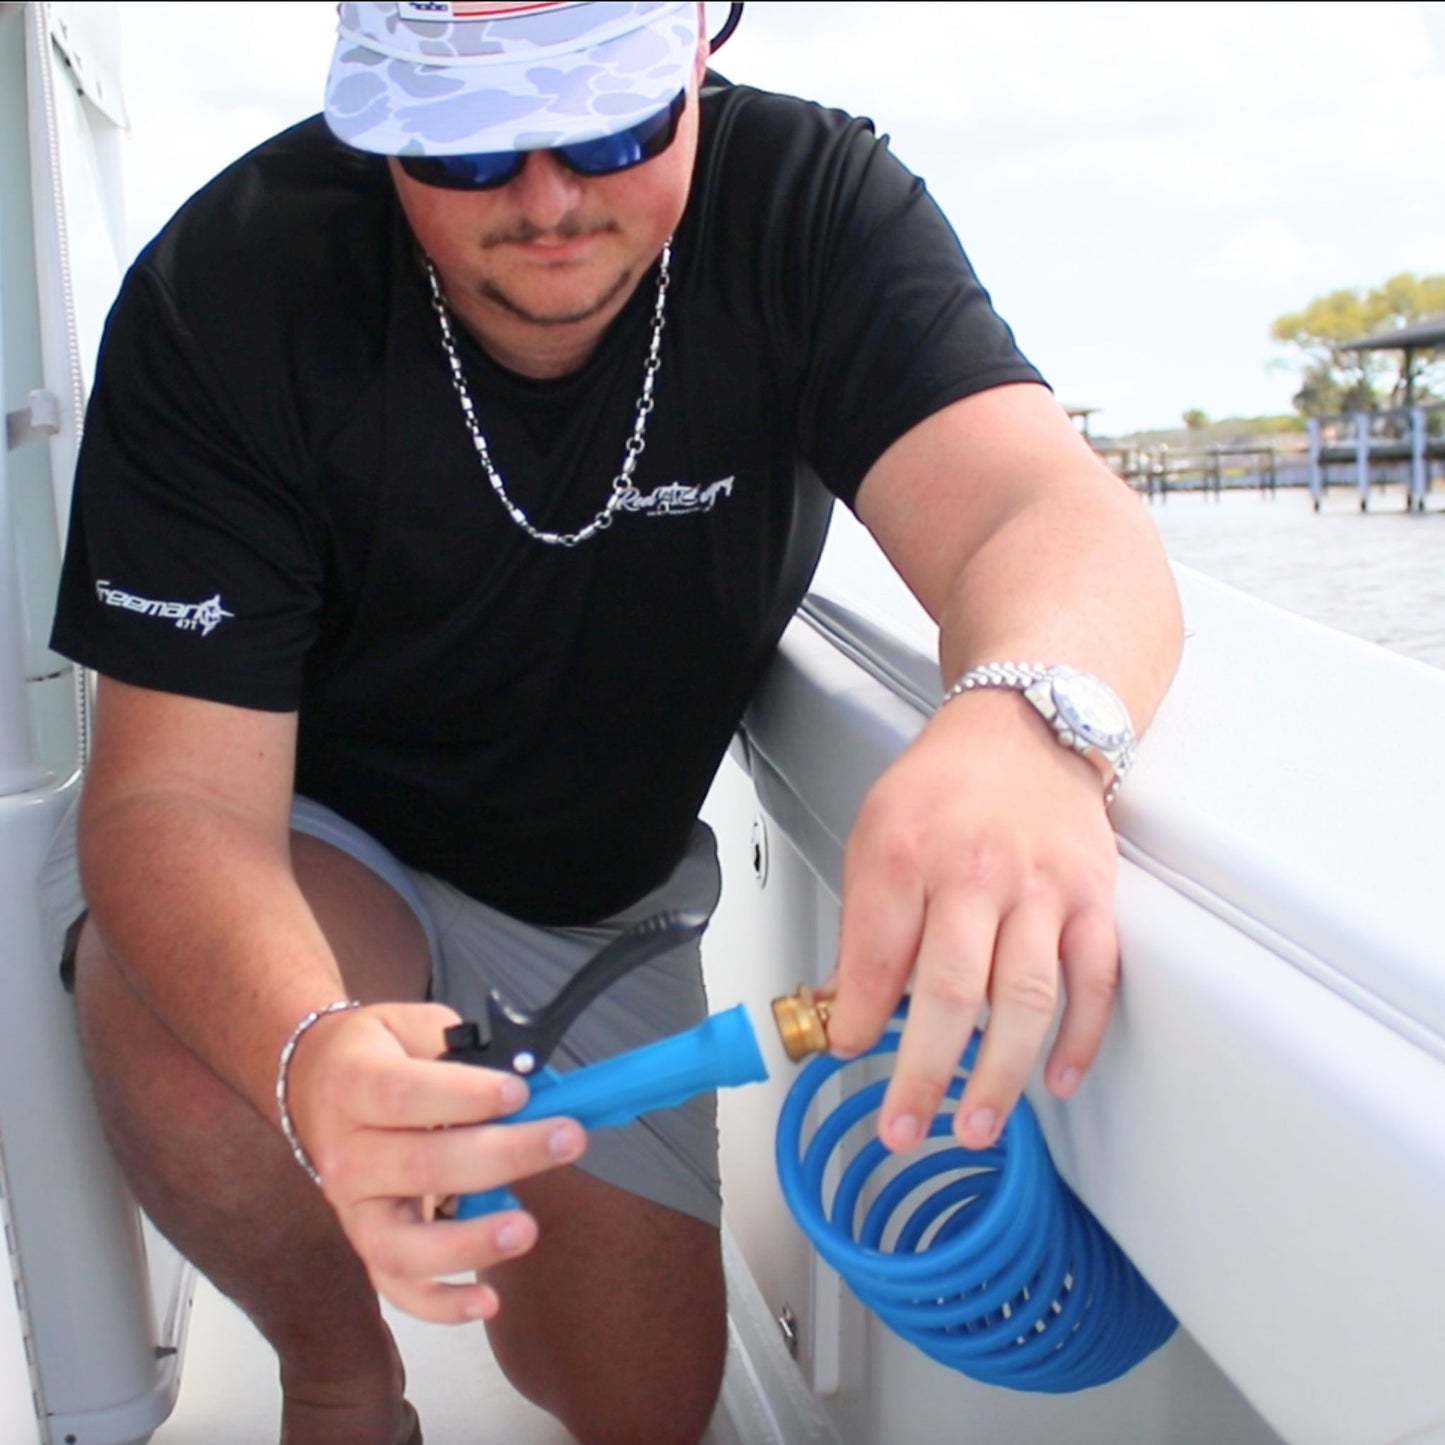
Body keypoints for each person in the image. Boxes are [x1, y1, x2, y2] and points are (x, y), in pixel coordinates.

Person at [49, 3, 1182, 1442]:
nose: (544, 199)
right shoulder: (231, 284)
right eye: (464, 144)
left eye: (609, 123)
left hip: (599, 895)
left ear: (694, 61)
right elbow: (174, 803)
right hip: (318, 842)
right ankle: (337, 1369)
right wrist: (310, 1049)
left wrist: (1025, 728)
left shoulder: (809, 206)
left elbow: (1046, 511)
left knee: (641, 1406)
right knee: (175, 1007)